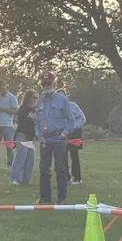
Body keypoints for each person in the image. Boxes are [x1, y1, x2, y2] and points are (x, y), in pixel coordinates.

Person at [34, 73, 75, 204]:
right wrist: (38, 134)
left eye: (49, 83)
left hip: (59, 138)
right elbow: (36, 121)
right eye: (44, 84)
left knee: (60, 168)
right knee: (43, 169)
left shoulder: (62, 100)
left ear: (54, 84)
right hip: (45, 139)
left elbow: (71, 120)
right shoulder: (39, 101)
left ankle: (62, 198)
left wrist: (64, 134)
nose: (46, 86)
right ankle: (44, 198)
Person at [57, 89, 86, 185]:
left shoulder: (73, 105)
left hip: (74, 134)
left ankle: (77, 178)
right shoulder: (55, 109)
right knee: (62, 157)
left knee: (74, 156)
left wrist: (73, 126)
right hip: (62, 134)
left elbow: (82, 118)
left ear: (66, 97)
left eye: (63, 95)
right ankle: (66, 177)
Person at [10, 89, 39, 185]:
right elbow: (22, 122)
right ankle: (14, 179)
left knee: (30, 159)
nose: (35, 100)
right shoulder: (22, 109)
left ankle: (25, 180)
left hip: (30, 138)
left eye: (37, 98)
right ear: (28, 98)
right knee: (21, 157)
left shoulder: (35, 111)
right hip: (22, 136)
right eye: (34, 97)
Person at [0, 80, 18, 170]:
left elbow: (15, 110)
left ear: (6, 86)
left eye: (3, 86)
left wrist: (4, 109)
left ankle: (10, 164)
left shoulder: (12, 97)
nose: (1, 88)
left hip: (7, 125)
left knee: (9, 145)